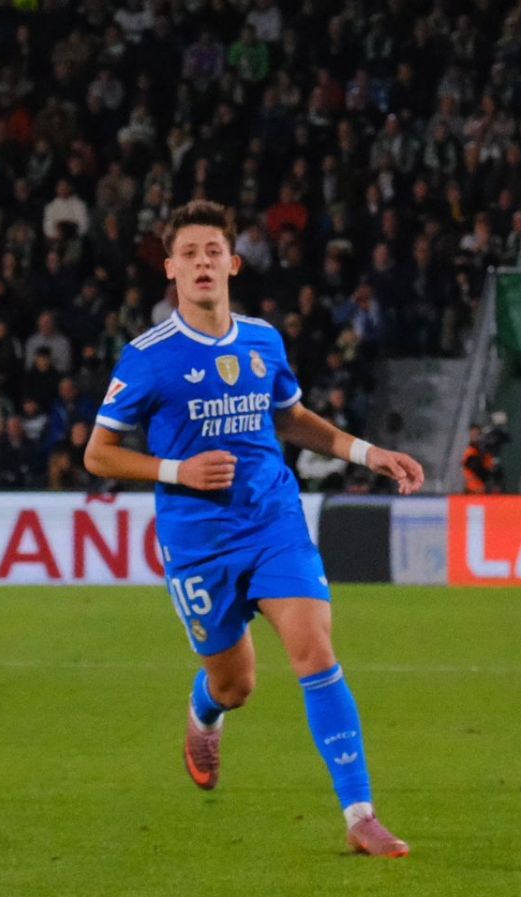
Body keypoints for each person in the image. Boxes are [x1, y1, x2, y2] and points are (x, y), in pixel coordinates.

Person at [84, 200, 425, 856]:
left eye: (214, 251)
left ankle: (360, 814)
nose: (203, 262)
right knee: (235, 684)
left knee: (315, 649)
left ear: (233, 263)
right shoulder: (148, 357)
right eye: (189, 253)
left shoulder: (264, 341)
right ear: (170, 270)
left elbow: (292, 418)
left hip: (274, 521)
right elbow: (98, 453)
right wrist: (178, 470)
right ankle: (203, 711)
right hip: (198, 542)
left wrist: (367, 453)